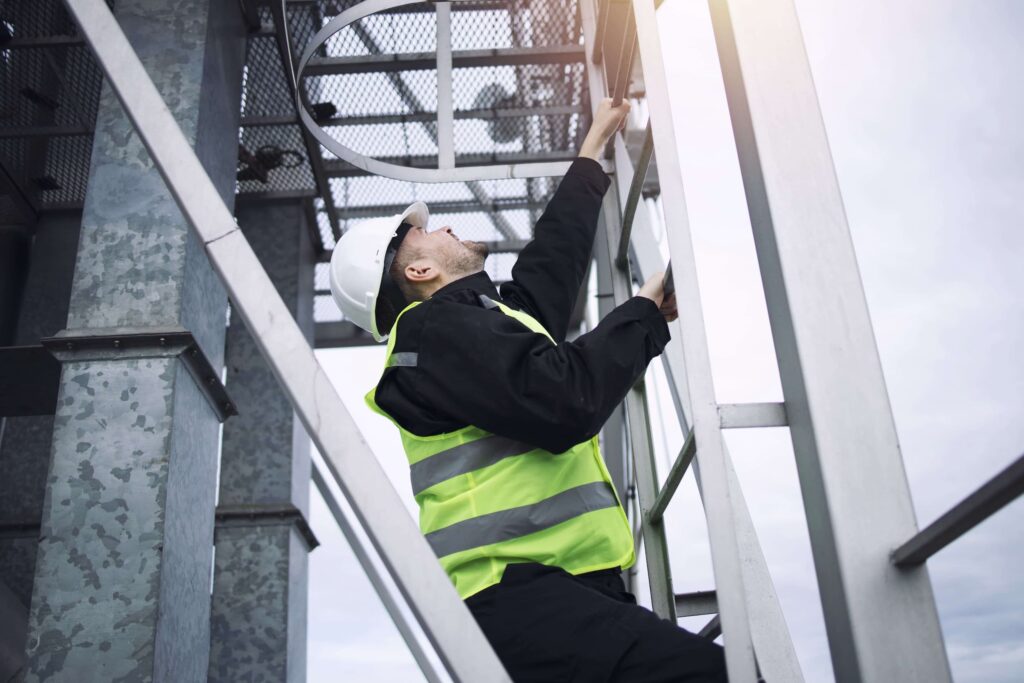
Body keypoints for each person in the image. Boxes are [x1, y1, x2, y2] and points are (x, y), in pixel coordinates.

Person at [329, 98, 728, 682]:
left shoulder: (473, 327)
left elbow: (550, 268)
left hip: (548, 595)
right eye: (423, 234)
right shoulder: (434, 332)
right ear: (418, 272)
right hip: (520, 594)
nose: (440, 226)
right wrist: (641, 313)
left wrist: (589, 160)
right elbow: (563, 401)